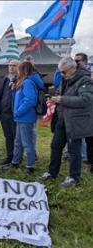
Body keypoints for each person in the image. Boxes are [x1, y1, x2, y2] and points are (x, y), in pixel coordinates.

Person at [39, 57, 93, 187]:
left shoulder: (85, 80)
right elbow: (64, 94)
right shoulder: (66, 78)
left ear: (73, 68)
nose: (62, 74)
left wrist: (62, 99)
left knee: (74, 150)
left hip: (75, 121)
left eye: (64, 72)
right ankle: (52, 172)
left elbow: (86, 100)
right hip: (62, 119)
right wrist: (55, 96)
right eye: (60, 72)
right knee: (55, 146)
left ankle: (74, 177)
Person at [7, 61, 43, 174]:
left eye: (18, 69)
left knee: (27, 143)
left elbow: (30, 100)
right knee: (18, 141)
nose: (17, 70)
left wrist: (18, 111)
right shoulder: (23, 81)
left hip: (25, 117)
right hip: (21, 117)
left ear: (23, 70)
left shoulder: (28, 82)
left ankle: (30, 166)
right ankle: (15, 162)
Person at [0, 59, 19, 165]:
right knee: (8, 136)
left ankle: (17, 158)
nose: (11, 67)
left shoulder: (21, 79)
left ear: (18, 67)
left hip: (15, 114)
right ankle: (9, 156)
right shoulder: (4, 79)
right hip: (4, 113)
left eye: (14, 65)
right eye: (10, 65)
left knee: (16, 137)